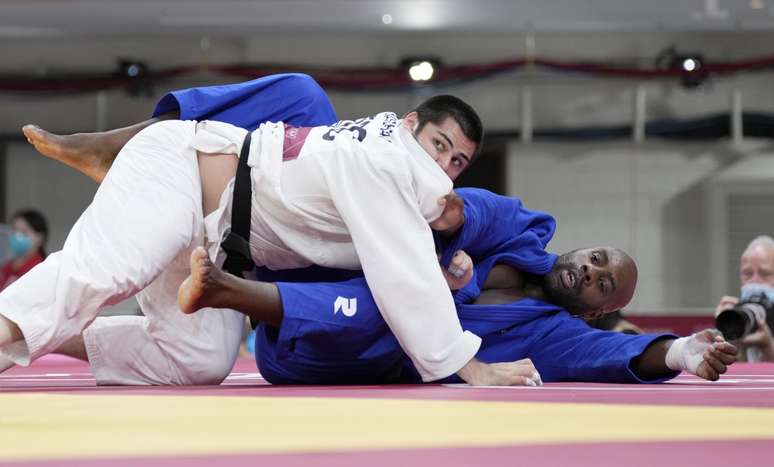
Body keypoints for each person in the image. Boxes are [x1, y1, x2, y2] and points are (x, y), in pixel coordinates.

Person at [1, 79, 532, 387]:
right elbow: (403, 275)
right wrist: (472, 368)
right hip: (179, 172)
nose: (445, 165)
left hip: (216, 241)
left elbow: (398, 253)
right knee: (108, 270)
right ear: (412, 124)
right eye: (440, 145)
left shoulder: (389, 166)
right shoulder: (386, 160)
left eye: (458, 161)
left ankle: (37, 335)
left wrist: (449, 263)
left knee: (199, 361)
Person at [178, 242, 736, 385]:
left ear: (594, 313)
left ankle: (224, 286)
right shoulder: (510, 244)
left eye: (602, 284)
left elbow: (620, 353)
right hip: (307, 283)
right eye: (595, 259)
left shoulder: (556, 336)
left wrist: (686, 352)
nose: (590, 272)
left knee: (398, 310)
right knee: (301, 99)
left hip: (325, 351)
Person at [715, 235, 774, 362]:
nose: (755, 281)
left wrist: (767, 347)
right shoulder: (742, 315)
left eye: (765, 274)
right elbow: (741, 377)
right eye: (747, 274)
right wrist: (728, 333)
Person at [0, 210, 48, 291]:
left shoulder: (41, 269)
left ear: (40, 237)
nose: (17, 236)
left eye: (24, 232)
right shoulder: (6, 267)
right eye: (15, 231)